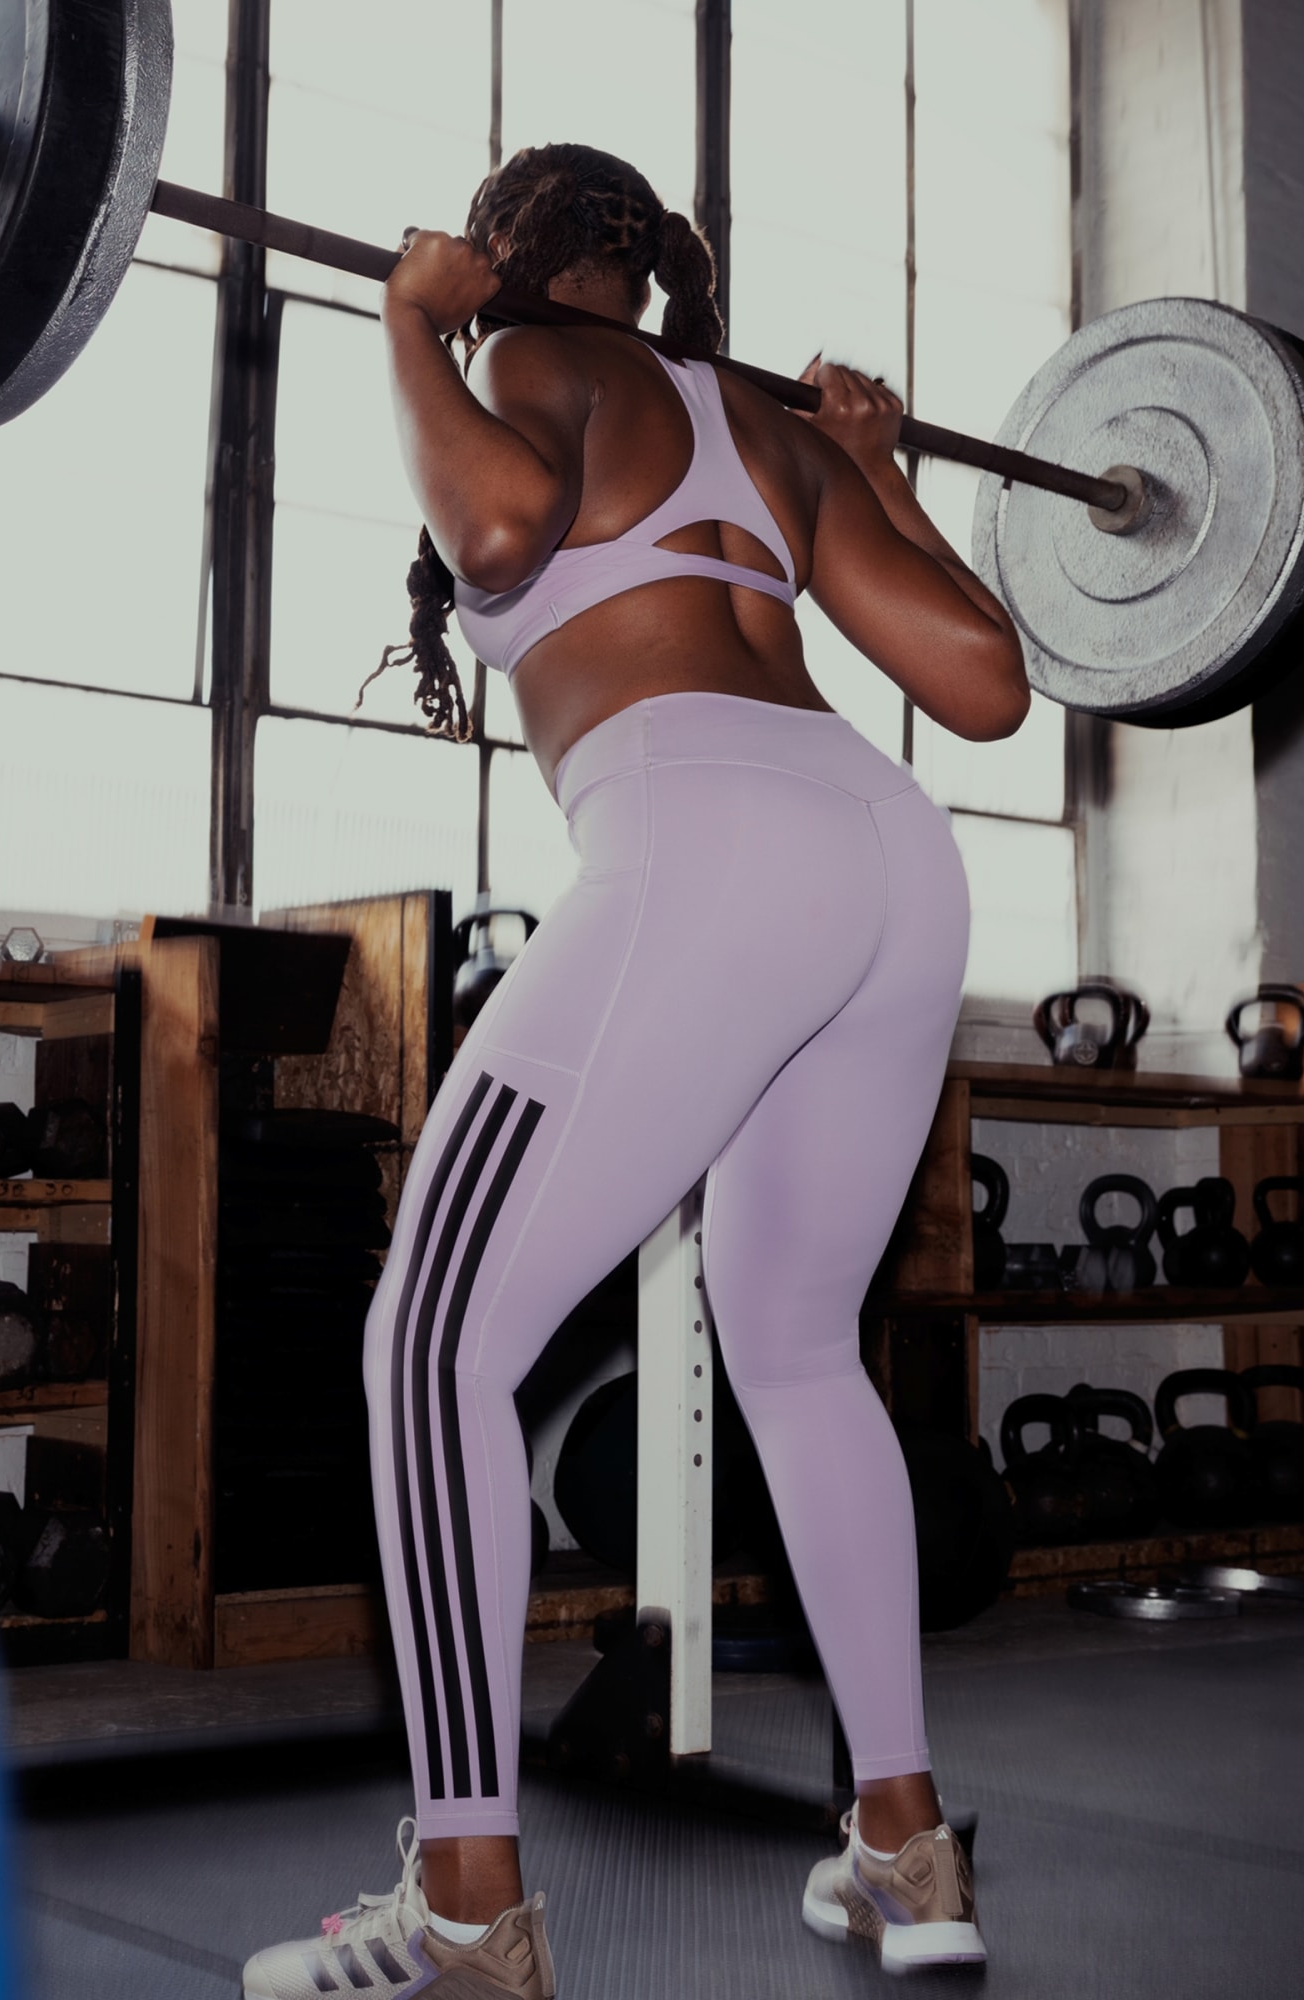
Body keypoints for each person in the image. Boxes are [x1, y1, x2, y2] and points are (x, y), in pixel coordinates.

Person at [243, 143, 1027, 1999]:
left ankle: (464, 1912)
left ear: (509, 248)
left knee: (430, 1344)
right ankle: (908, 1850)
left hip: (709, 835)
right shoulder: (774, 436)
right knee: (799, 1349)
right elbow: (986, 685)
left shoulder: (531, 356)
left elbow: (499, 533)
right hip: (890, 857)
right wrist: (878, 473)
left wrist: (408, 320)